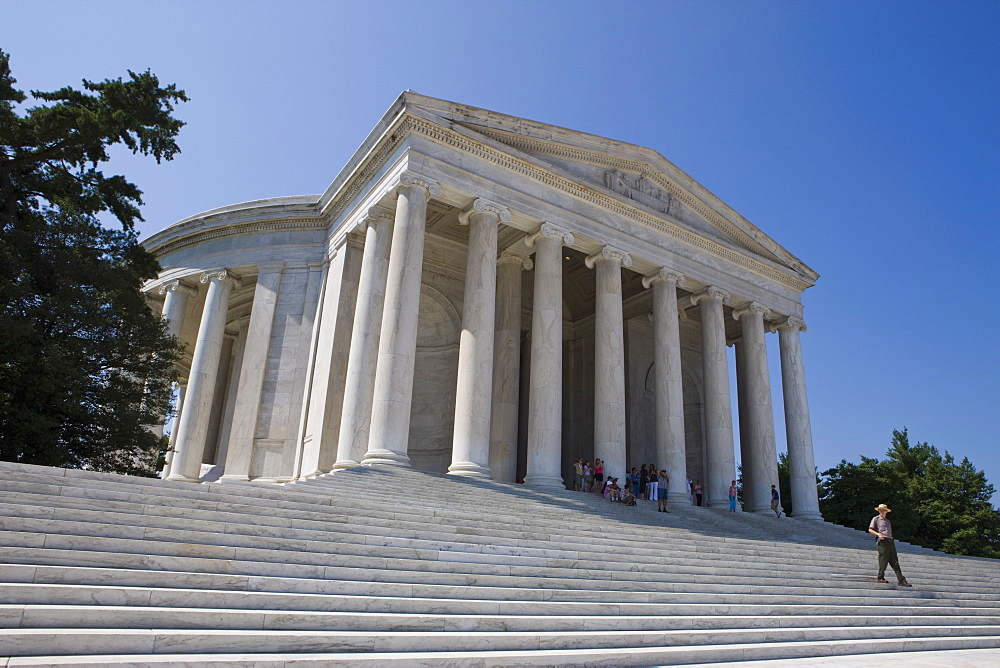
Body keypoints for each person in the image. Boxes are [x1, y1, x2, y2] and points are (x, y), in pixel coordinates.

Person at [868, 503, 912, 586]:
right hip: (882, 541)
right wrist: (878, 534)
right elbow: (870, 529)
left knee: (894, 561)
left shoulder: (888, 521)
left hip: (890, 541)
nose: (882, 511)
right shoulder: (876, 519)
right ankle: (880, 577)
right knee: (883, 560)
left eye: (883, 510)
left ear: (886, 511)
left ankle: (901, 580)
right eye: (880, 510)